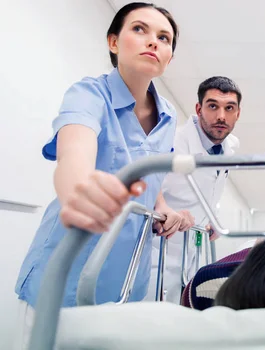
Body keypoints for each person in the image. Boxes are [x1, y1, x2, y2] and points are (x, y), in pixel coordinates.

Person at [13, 2, 194, 348]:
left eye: (164, 37)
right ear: (113, 42)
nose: (153, 42)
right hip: (64, 278)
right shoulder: (89, 94)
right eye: (139, 29)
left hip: (126, 283)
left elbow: (150, 172)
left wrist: (164, 207)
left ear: (169, 58)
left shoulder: (169, 116)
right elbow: (74, 153)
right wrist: (80, 190)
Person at [148, 76, 241, 303]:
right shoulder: (172, 141)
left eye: (229, 108)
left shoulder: (231, 147)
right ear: (198, 109)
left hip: (192, 249)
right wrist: (164, 209)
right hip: (157, 250)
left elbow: (209, 188)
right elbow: (144, 185)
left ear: (237, 114)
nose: (221, 116)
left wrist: (212, 218)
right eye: (213, 106)